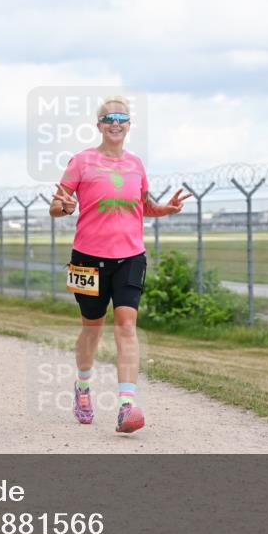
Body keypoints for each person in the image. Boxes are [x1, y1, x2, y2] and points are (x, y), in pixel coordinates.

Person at [50, 96, 190, 434]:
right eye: (109, 117)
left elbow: (144, 207)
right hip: (87, 259)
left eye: (122, 118)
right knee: (92, 327)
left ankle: (127, 405)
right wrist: (65, 207)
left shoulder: (136, 165)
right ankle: (83, 387)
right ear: (99, 125)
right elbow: (57, 206)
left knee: (126, 325)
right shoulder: (81, 162)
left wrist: (165, 210)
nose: (116, 123)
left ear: (129, 126)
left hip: (130, 256)